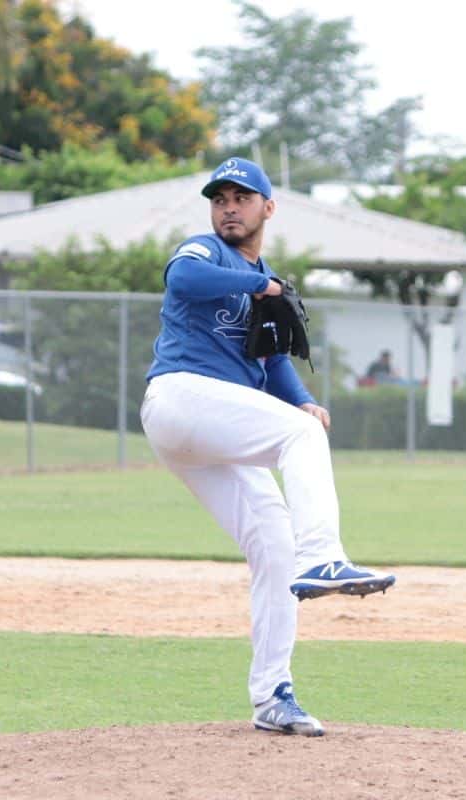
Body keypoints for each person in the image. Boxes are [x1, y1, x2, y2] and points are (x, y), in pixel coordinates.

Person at [140, 157, 396, 738]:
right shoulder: (204, 252)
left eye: (242, 196)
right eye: (220, 197)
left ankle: (272, 695)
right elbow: (182, 282)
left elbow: (273, 359)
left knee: (273, 542)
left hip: (217, 430)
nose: (229, 206)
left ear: (267, 208)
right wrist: (261, 283)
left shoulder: (268, 280)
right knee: (297, 439)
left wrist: (302, 398)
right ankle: (324, 555)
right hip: (181, 396)